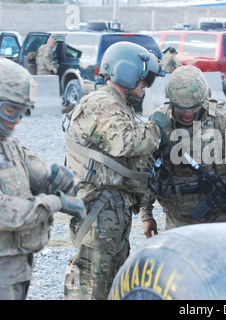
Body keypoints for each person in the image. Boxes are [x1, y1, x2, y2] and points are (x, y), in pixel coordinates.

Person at [63, 42, 169, 300]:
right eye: (144, 80)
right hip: (98, 210)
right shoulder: (102, 102)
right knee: (91, 284)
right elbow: (127, 142)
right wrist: (157, 126)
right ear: (128, 73)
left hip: (112, 207)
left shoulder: (118, 105)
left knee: (111, 282)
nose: (145, 87)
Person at [0, 58, 85, 300]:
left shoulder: (10, 144)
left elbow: (41, 177)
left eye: (22, 112)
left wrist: (61, 182)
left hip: (16, 265)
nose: (17, 120)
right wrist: (56, 203)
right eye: (9, 110)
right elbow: (5, 212)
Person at [140, 65, 226, 236]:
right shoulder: (161, 122)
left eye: (194, 108)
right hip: (177, 218)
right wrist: (146, 215)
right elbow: (147, 170)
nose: (188, 114)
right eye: (181, 109)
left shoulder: (222, 120)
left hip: (220, 216)